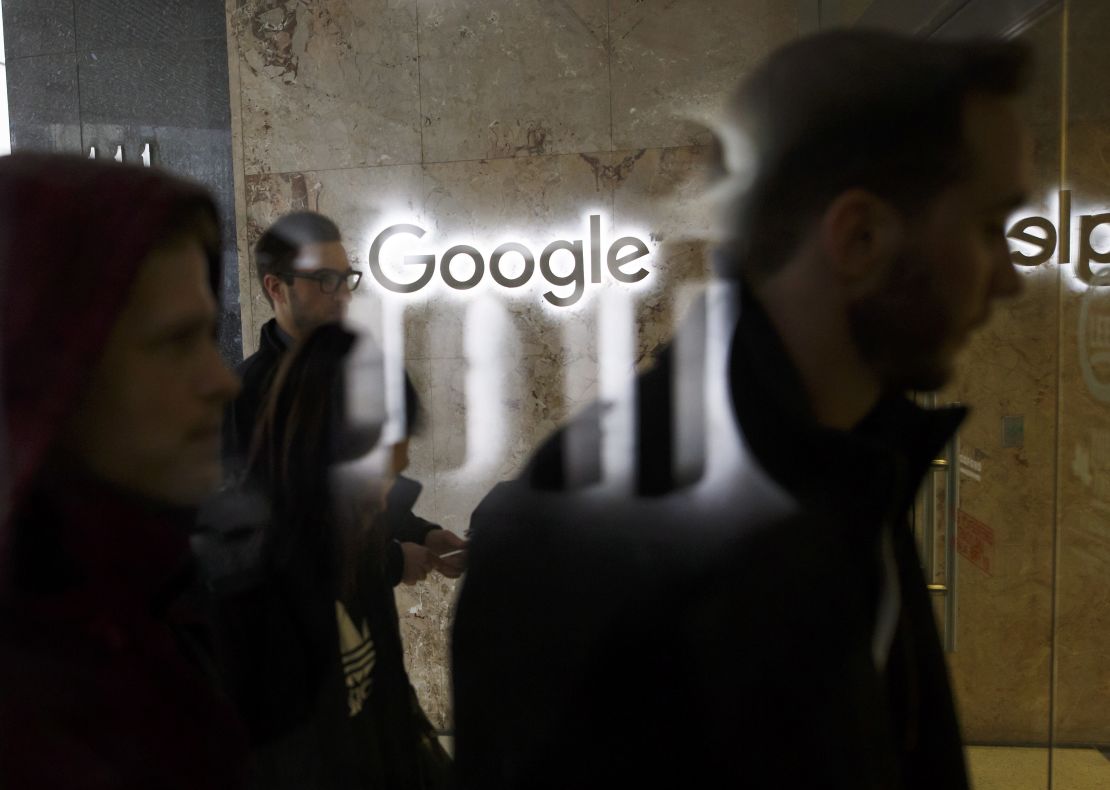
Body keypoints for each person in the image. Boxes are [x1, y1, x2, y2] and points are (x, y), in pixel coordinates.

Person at [451, 30, 1032, 789]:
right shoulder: (580, 540)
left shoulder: (852, 465)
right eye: (992, 227)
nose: (1013, 278)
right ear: (858, 237)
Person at [0, 153, 247, 788]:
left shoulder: (144, 606)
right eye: (173, 342)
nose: (222, 382)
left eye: (208, 337)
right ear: (45, 370)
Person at [214, 322, 451, 788]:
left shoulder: (354, 549)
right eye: (380, 473)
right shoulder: (246, 586)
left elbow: (393, 718)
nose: (385, 498)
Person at [223, 211, 464, 585]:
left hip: (365, 627)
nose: (344, 295)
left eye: (346, 278)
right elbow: (260, 542)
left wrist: (422, 534)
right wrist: (390, 563)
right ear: (276, 288)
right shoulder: (243, 396)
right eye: (325, 280)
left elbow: (366, 496)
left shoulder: (357, 375)